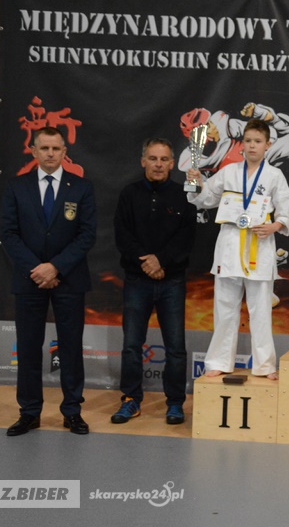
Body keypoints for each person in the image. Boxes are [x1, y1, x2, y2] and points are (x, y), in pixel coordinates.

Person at [0, 126, 97, 436]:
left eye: (56, 148)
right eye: (45, 148)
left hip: (69, 279)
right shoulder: (17, 186)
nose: (51, 154)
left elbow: (87, 235)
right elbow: (9, 234)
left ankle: (72, 411)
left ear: (65, 152)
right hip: (30, 280)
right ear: (34, 151)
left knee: (70, 348)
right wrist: (38, 269)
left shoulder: (81, 187)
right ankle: (29, 412)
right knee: (29, 348)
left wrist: (55, 268)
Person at [187, 119, 289, 380]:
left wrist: (275, 226)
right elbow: (205, 199)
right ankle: (219, 361)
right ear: (242, 144)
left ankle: (265, 365)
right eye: (248, 141)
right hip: (230, 247)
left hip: (260, 246)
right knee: (225, 309)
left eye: (258, 141)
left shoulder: (274, 175)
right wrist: (196, 183)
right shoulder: (229, 171)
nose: (252, 146)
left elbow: (285, 211)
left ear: (268, 145)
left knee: (261, 311)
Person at [111, 138, 196, 425]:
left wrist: (161, 261)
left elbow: (187, 237)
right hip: (137, 280)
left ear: (172, 164)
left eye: (163, 159)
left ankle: (175, 403)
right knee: (132, 345)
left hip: (172, 281)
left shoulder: (185, 195)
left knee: (176, 348)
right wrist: (146, 263)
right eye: (153, 158)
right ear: (143, 161)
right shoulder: (129, 194)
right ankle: (130, 400)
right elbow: (122, 235)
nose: (158, 164)